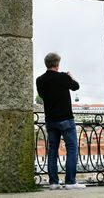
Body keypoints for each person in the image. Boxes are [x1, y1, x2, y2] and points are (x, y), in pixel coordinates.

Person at [36, 53, 86, 190]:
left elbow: (42, 95)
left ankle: (53, 183)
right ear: (58, 63)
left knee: (52, 151)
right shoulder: (63, 77)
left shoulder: (39, 80)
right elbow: (76, 87)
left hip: (50, 120)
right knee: (72, 149)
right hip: (66, 119)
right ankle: (70, 182)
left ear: (46, 64)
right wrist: (70, 77)